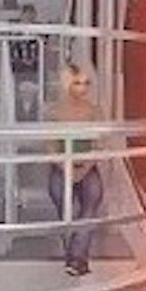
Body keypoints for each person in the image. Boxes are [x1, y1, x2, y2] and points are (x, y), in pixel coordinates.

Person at [48, 63, 105, 276]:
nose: (83, 88)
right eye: (77, 83)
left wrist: (84, 166)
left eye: (86, 83)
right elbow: (50, 146)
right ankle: (74, 257)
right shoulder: (54, 112)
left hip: (87, 166)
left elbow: (100, 143)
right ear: (67, 85)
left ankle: (76, 258)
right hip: (61, 166)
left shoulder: (94, 111)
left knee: (91, 206)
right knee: (65, 212)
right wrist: (65, 166)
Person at [10, 5, 41, 121]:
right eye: (26, 14)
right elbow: (12, 50)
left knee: (34, 92)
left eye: (31, 14)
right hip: (19, 69)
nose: (28, 17)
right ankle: (20, 116)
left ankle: (33, 116)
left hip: (35, 69)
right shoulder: (14, 32)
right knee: (20, 92)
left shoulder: (40, 30)